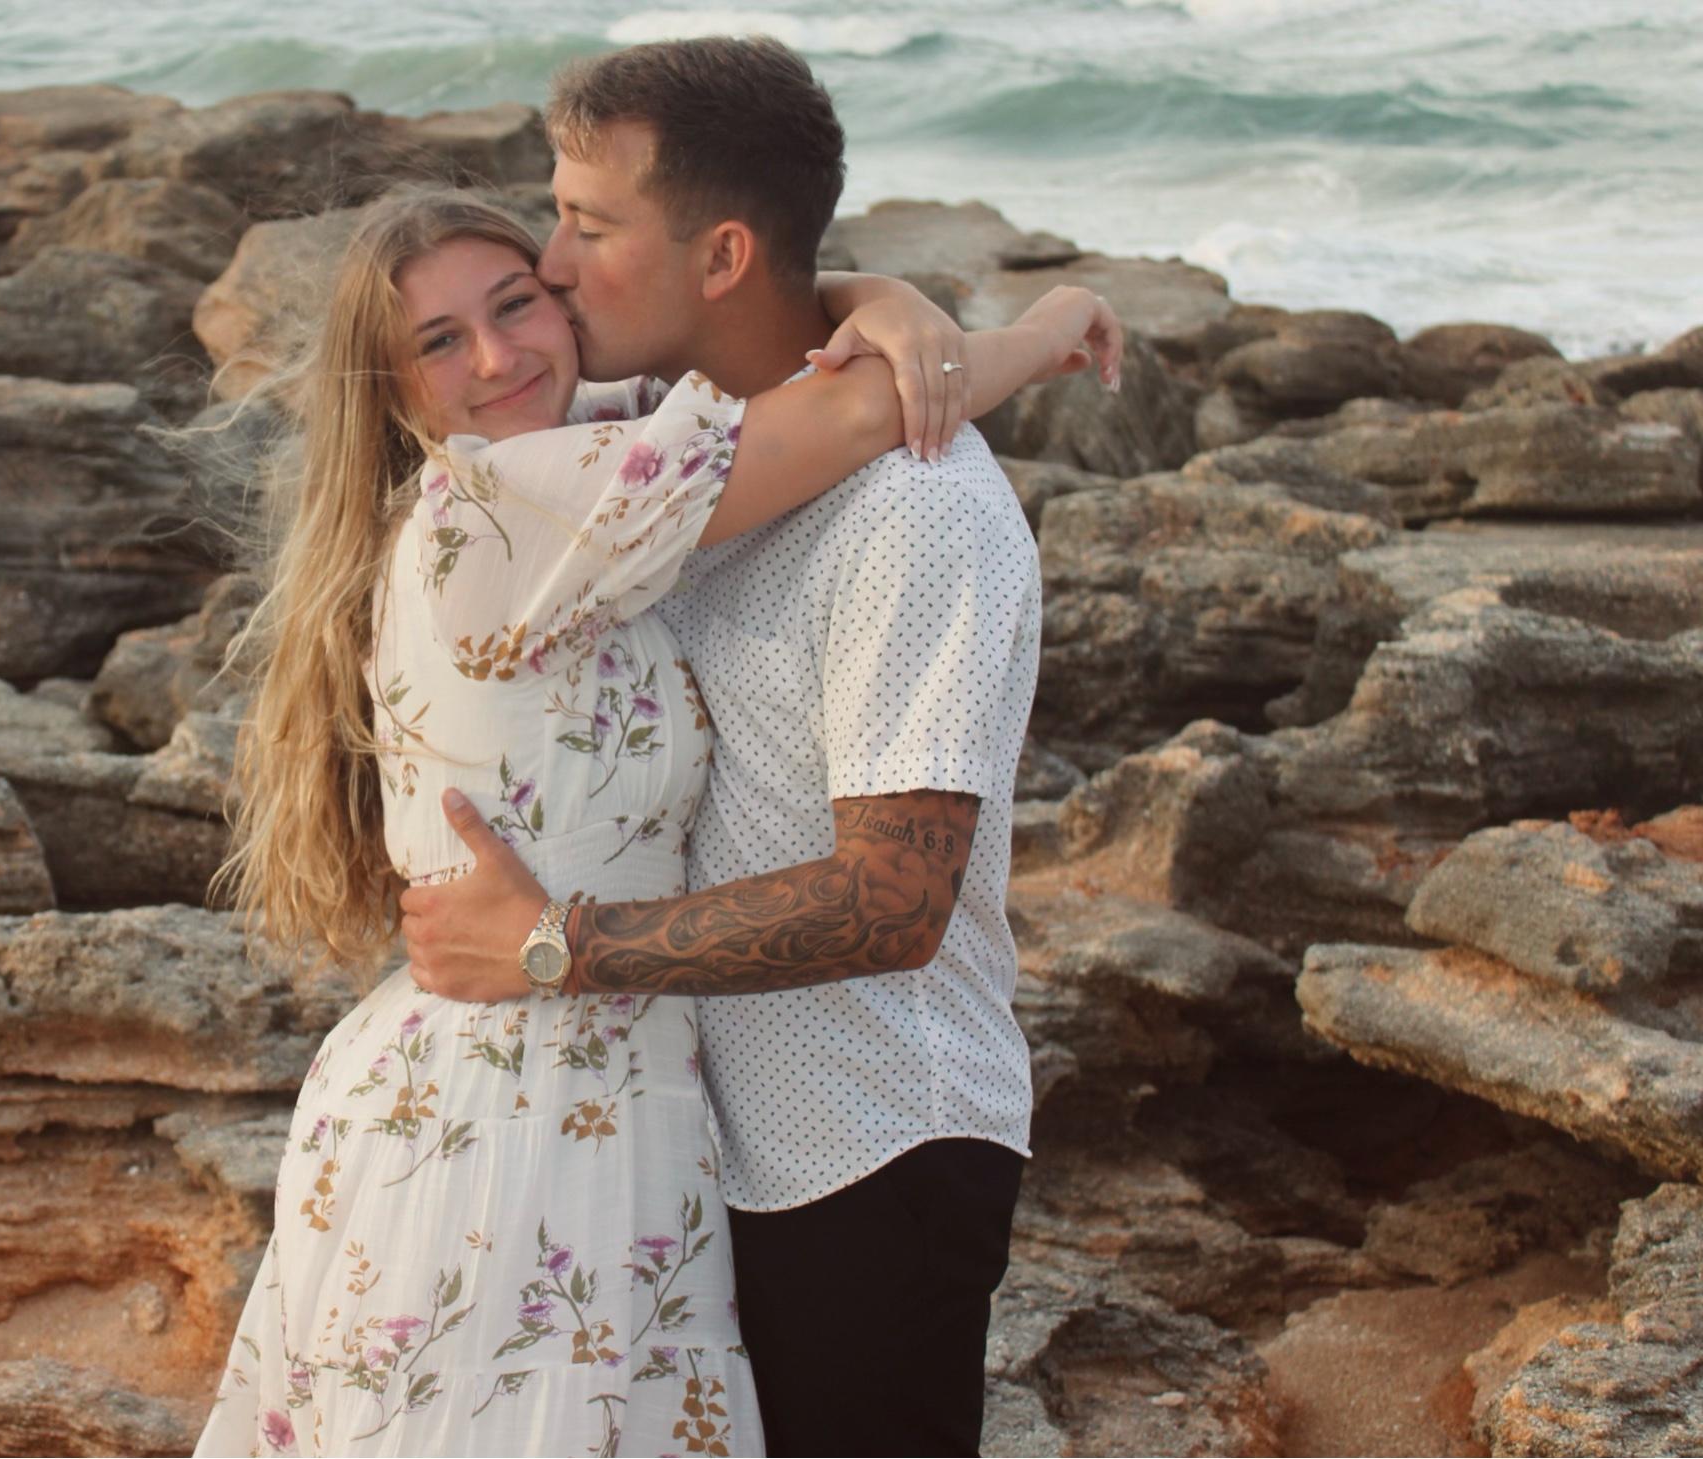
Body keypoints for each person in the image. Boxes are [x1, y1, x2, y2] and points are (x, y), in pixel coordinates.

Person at [192, 181, 1117, 1454]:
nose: (498, 356)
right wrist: (1019, 326)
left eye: (518, 303)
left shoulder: (598, 449)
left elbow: (771, 353)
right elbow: (861, 404)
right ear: (392, 388)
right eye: (440, 340)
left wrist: (880, 300)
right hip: (509, 1094)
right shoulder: (505, 510)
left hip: (614, 1080)